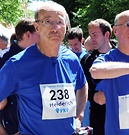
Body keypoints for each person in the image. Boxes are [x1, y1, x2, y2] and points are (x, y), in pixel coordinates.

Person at [0, 1, 88, 134]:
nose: (55, 28)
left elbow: (82, 85)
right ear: (37, 27)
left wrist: (79, 116)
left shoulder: (71, 59)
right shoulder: (18, 64)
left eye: (60, 22)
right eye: (48, 21)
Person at [0, 18, 40, 135]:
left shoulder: (36, 57)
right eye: (38, 33)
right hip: (16, 126)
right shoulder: (8, 61)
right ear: (28, 34)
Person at [80, 18, 115, 135]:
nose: (91, 39)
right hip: (98, 116)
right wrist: (93, 96)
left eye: (94, 34)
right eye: (90, 35)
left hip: (121, 113)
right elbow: (81, 86)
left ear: (107, 35)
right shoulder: (86, 60)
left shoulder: (121, 56)